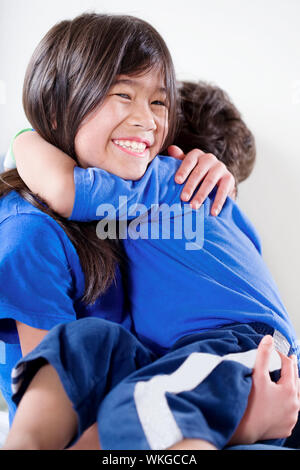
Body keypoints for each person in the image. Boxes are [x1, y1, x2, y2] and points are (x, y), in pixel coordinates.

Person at [3, 64, 300, 450]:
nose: (143, 124)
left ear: (172, 151)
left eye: (157, 106)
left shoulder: (163, 178)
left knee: (138, 410)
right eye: (124, 97)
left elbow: (64, 187)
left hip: (238, 350)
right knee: (85, 345)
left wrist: (22, 140)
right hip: (205, 357)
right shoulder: (38, 231)